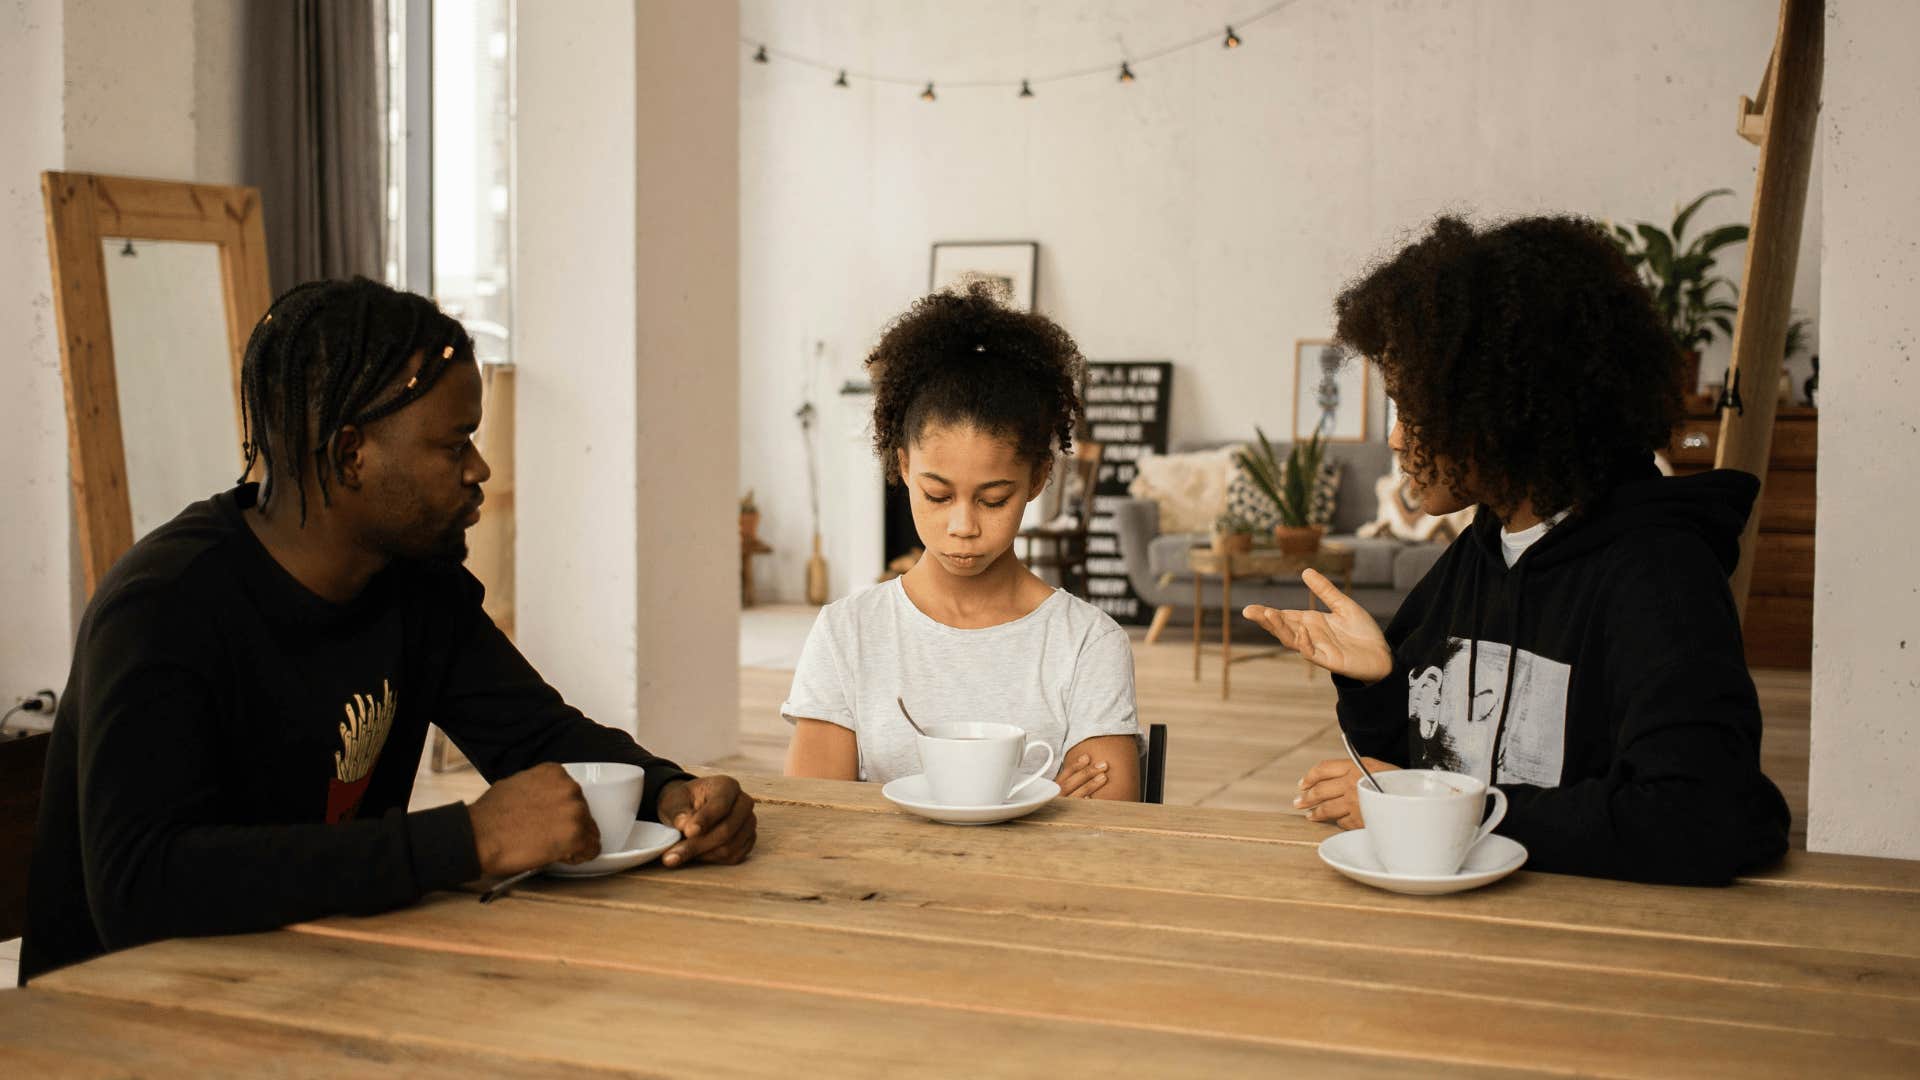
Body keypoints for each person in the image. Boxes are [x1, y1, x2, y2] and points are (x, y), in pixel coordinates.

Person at [21, 278, 755, 984]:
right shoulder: (164, 606)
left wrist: (671, 794)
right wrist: (464, 841)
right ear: (351, 455)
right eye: (453, 444)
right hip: (123, 1019)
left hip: (316, 975)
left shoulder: (413, 584)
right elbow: (142, 888)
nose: (480, 468)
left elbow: (533, 735)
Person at [1244, 215, 1790, 884]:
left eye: (1412, 408)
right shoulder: (1481, 553)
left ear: (1500, 411)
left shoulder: (1657, 575)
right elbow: (1415, 765)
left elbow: (1697, 816)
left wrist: (1456, 812)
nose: (1395, 438)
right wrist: (1376, 682)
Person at [782, 283, 1142, 800]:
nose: (963, 526)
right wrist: (1038, 799)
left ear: (1039, 477)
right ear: (903, 466)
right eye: (936, 494)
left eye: (994, 499)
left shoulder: (1087, 642)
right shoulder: (847, 634)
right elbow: (816, 815)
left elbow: (1106, 829)